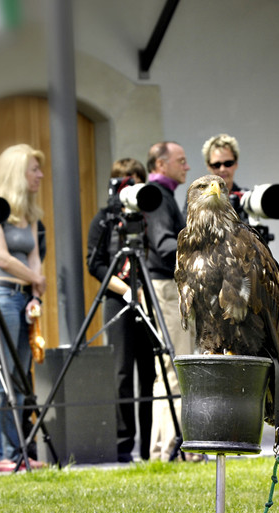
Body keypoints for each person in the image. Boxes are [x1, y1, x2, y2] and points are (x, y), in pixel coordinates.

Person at [0, 144, 48, 472]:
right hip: (2, 295)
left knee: (19, 379)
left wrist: (36, 291)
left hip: (24, 298)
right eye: (34, 169)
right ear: (18, 172)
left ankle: (14, 453)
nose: (40, 175)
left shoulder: (29, 213)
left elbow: (35, 256)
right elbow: (1, 257)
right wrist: (36, 278)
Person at [86, 158, 156, 462]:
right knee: (122, 373)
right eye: (125, 179)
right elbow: (95, 262)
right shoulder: (104, 219)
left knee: (151, 373)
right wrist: (126, 289)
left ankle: (151, 445)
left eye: (137, 179)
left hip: (150, 297)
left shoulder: (150, 214)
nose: (131, 183)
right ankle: (124, 445)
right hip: (119, 299)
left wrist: (147, 289)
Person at [142, 140, 197, 461]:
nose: (186, 166)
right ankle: (175, 449)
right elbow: (165, 245)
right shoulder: (159, 198)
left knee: (167, 372)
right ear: (161, 165)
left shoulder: (159, 196)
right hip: (166, 286)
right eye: (181, 160)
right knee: (177, 369)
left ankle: (164, 450)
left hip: (162, 286)